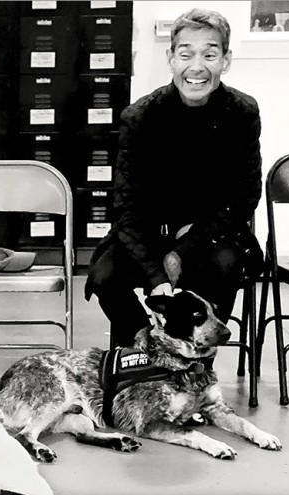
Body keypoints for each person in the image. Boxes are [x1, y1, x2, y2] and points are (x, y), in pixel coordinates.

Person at [84, 7, 264, 351]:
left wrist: (182, 250)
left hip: (209, 233)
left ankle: (199, 362)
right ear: (171, 58)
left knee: (223, 266)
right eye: (186, 54)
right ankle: (144, 348)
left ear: (225, 59)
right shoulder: (140, 115)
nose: (197, 66)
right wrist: (155, 273)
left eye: (210, 54)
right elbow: (126, 206)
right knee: (105, 277)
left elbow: (244, 196)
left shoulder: (241, 112)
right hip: (147, 233)